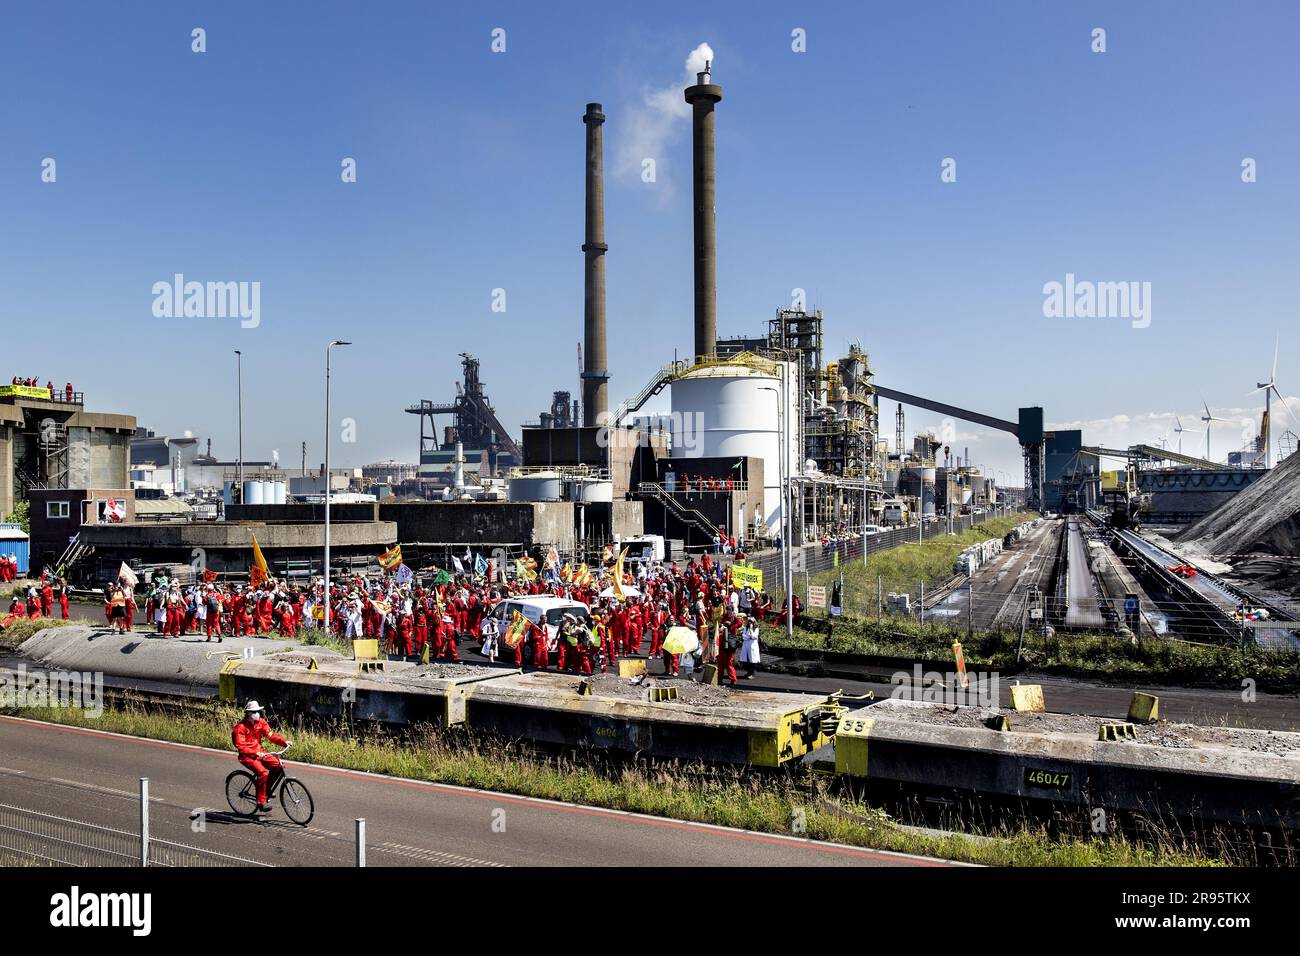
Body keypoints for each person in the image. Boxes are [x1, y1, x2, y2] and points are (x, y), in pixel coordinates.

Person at [232, 701, 290, 814]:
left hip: (261, 752)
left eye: (258, 711)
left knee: (278, 766)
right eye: (254, 712)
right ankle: (261, 802)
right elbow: (241, 747)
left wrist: (284, 742)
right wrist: (255, 753)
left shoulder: (261, 723)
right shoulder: (240, 728)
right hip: (248, 756)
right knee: (262, 773)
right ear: (248, 713)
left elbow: (272, 736)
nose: (257, 714)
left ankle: (266, 789)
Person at [738, 615, 761, 679]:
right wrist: (749, 637)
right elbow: (744, 636)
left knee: (753, 660)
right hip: (746, 645)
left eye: (751, 621)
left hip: (752, 646)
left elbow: (754, 636)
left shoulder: (756, 628)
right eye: (749, 621)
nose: (750, 623)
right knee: (745, 660)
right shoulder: (746, 628)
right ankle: (749, 673)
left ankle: (751, 673)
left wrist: (751, 631)